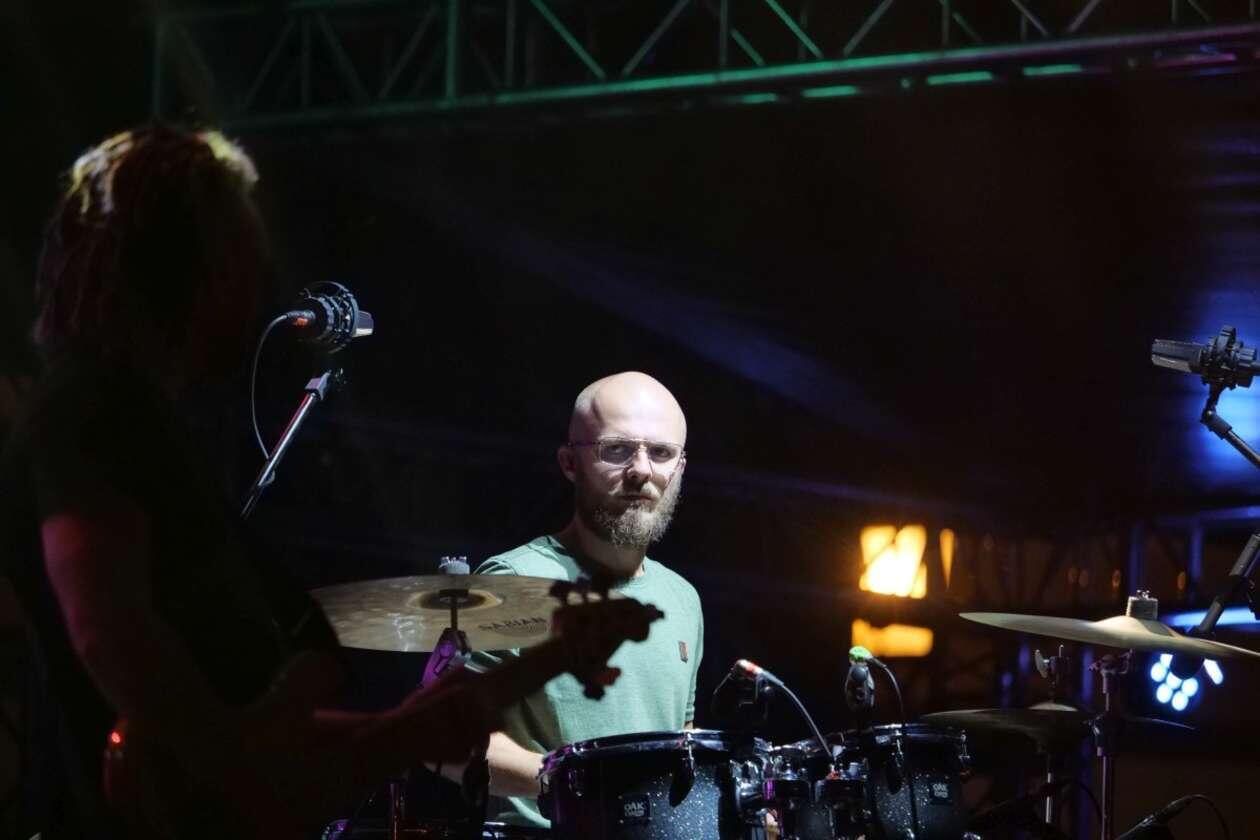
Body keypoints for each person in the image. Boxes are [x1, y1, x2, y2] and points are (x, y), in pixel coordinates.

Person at [0, 124, 502, 839]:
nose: (260, 278)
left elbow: (240, 715)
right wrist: (246, 777)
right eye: (240, 252)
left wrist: (395, 732)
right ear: (183, 261)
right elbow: (111, 635)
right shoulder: (90, 408)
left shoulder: (150, 424)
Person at [465, 371, 704, 828]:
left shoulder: (683, 599)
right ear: (570, 463)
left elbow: (681, 740)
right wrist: (573, 783)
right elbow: (447, 739)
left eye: (661, 453)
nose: (641, 470)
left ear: (680, 468)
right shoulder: (513, 581)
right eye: (617, 450)